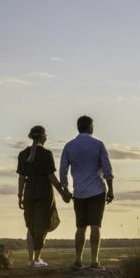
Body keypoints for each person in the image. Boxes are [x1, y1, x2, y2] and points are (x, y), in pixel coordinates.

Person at [59, 115, 114, 269]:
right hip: (97, 190)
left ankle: (78, 260)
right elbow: (107, 168)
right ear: (90, 127)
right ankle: (95, 261)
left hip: (79, 191)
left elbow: (63, 170)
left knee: (80, 226)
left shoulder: (69, 146)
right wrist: (110, 189)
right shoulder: (98, 144)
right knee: (96, 225)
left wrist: (65, 188)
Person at [17, 125, 72, 267]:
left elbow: (22, 177)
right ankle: (36, 259)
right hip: (44, 192)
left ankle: (30, 260)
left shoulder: (23, 154)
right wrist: (63, 193)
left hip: (29, 191)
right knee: (42, 225)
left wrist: (20, 195)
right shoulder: (46, 154)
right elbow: (51, 177)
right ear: (43, 137)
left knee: (30, 226)